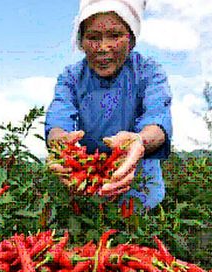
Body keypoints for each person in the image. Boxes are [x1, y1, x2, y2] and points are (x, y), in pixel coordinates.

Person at [44, 0, 173, 210]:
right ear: (81, 41)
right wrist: (62, 145)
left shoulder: (149, 73)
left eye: (115, 35)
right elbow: (58, 119)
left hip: (140, 192)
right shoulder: (71, 78)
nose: (103, 48)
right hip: (86, 186)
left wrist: (139, 142)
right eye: (93, 37)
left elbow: (158, 120)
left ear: (130, 39)